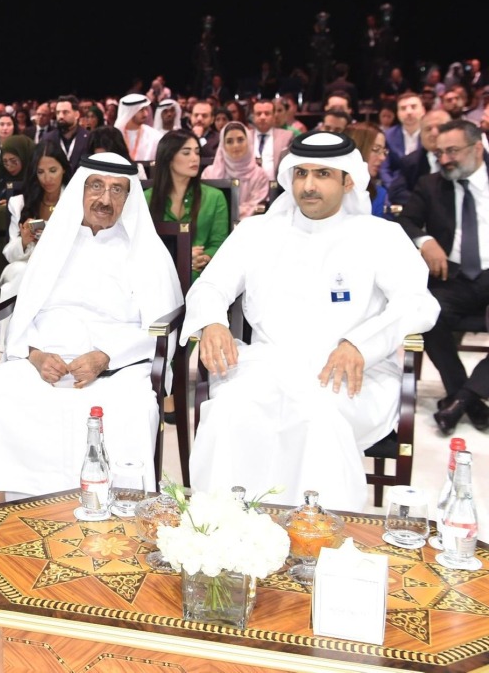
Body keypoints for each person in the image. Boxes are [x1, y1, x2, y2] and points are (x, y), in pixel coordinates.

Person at [187, 133, 439, 512]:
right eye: (300, 173)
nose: (308, 185)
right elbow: (211, 285)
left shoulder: (379, 236)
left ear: (348, 180)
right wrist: (212, 323)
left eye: (323, 174)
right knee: (228, 413)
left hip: (348, 372)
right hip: (268, 364)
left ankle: (319, 542)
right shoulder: (258, 232)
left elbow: (418, 303)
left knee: (316, 417)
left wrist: (361, 343)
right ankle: (224, 532)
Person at [0, 153, 182, 505]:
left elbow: (159, 328)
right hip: (49, 361)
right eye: (96, 186)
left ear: (129, 198)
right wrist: (35, 354)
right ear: (81, 190)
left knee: (135, 408)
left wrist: (105, 356)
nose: (104, 199)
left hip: (118, 367)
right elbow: (25, 308)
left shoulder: (147, 252)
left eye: (117, 190)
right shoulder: (56, 243)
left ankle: (117, 513)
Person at [399, 119, 489, 433]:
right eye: (440, 153)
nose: (445, 159)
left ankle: (462, 399)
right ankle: (469, 398)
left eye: (453, 151)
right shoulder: (430, 184)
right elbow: (406, 221)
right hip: (453, 278)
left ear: (477, 148)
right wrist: (426, 241)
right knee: (427, 312)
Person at [144, 131, 230, 282]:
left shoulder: (215, 197)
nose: (194, 158)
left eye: (197, 152)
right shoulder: (146, 198)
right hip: (157, 277)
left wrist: (203, 257)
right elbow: (141, 244)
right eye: (186, 153)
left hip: (201, 277)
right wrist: (181, 256)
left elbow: (219, 243)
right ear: (169, 158)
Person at [0, 142, 71, 301]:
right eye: (40, 172)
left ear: (63, 169)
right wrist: (23, 242)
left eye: (53, 171)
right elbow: (9, 255)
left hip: (65, 268)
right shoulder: (19, 203)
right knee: (20, 275)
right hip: (27, 267)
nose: (47, 178)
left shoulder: (76, 202)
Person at [202, 121, 270, 220]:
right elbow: (206, 205)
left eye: (240, 140)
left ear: (249, 141)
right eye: (229, 141)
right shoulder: (209, 173)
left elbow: (255, 207)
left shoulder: (259, 175)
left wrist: (228, 214)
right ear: (222, 146)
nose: (235, 145)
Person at [388, 109, 451, 207]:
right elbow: (396, 192)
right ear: (421, 135)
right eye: (428, 129)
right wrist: (427, 202)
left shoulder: (464, 157)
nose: (434, 133)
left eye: (441, 127)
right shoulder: (410, 162)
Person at [381, 92, 425, 191]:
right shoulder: (387, 136)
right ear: (398, 113)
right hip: (394, 188)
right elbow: (384, 169)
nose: (409, 112)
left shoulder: (431, 136)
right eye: (403, 108)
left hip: (425, 189)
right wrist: (394, 189)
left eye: (413, 107)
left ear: (423, 110)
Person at [0, 134, 34, 210]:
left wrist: (13, 205)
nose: (9, 166)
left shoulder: (34, 181)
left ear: (24, 158)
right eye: (5, 161)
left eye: (13, 161)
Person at [348, 123, 391, 219]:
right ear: (357, 148)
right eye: (376, 149)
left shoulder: (379, 194)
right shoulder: (328, 187)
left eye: (384, 151)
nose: (382, 158)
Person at [248, 99, 294, 180]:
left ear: (273, 116)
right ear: (253, 116)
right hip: (249, 186)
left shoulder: (287, 136)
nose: (262, 117)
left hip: (276, 187)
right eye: (258, 114)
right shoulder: (245, 136)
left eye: (267, 113)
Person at [54, 95, 91, 165]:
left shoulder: (89, 139)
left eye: (65, 112)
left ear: (76, 114)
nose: (60, 116)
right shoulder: (48, 139)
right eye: (58, 112)